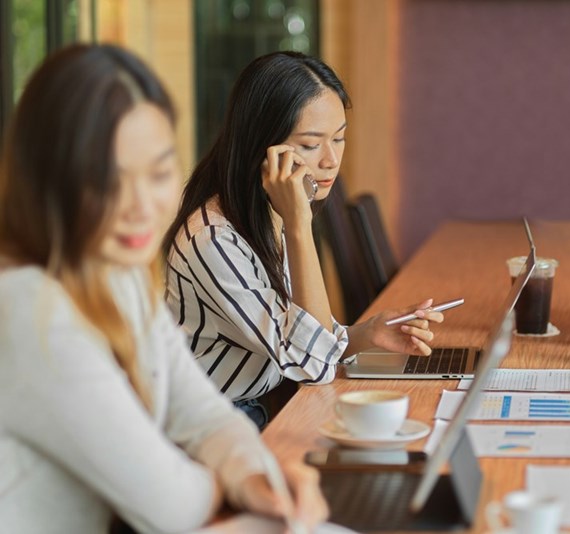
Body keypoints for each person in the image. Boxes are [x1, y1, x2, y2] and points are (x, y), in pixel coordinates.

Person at [0, 44, 327, 533]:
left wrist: (258, 476)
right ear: (46, 181)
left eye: (157, 173)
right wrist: (227, 481)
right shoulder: (28, 306)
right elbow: (171, 505)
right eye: (105, 181)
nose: (140, 205)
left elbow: (201, 413)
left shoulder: (119, 277)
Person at [163, 51, 442, 428]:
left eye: (339, 138)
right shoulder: (214, 240)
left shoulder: (266, 213)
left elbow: (299, 338)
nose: (330, 159)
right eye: (311, 144)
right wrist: (300, 223)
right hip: (213, 425)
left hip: (265, 407)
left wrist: (366, 334)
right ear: (262, 148)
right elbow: (314, 365)